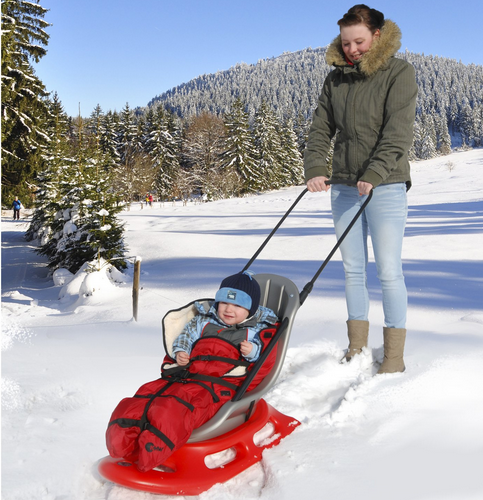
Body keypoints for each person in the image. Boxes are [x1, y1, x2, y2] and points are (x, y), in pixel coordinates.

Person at [304, 4, 418, 374]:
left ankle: (394, 357)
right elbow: (321, 128)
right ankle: (356, 346)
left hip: (385, 185)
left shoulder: (399, 73)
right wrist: (316, 168)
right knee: (353, 269)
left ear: (377, 36)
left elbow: (397, 133)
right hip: (344, 186)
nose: (352, 49)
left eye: (359, 41)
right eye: (346, 42)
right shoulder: (336, 79)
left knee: (388, 270)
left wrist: (375, 171)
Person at [105, 270, 278, 472]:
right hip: (185, 377)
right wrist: (181, 352)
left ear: (251, 309)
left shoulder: (256, 329)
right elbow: (186, 337)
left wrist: (252, 351)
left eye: (238, 305)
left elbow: (265, 357)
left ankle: (152, 455)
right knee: (143, 398)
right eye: (224, 303)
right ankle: (124, 445)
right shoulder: (203, 321)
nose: (229, 310)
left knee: (173, 408)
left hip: (217, 386)